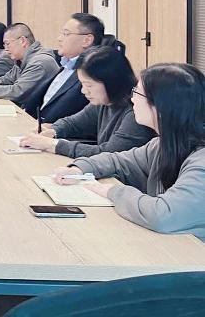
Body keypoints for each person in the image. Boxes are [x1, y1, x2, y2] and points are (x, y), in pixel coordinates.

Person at [52, 63, 205, 240]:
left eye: (137, 93)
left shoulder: (200, 161)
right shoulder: (163, 145)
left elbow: (163, 216)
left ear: (161, 106)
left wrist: (113, 192)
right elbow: (119, 161)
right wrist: (79, 168)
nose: (132, 99)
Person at [20, 46, 155, 156]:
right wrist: (53, 131)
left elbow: (108, 154)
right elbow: (74, 123)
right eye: (82, 84)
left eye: (89, 85)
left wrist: (52, 144)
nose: (83, 91)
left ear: (111, 82)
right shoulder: (105, 101)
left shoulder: (136, 112)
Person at [23, 13, 104, 123]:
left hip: (55, 130)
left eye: (66, 34)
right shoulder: (65, 65)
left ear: (87, 40)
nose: (59, 39)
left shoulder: (92, 75)